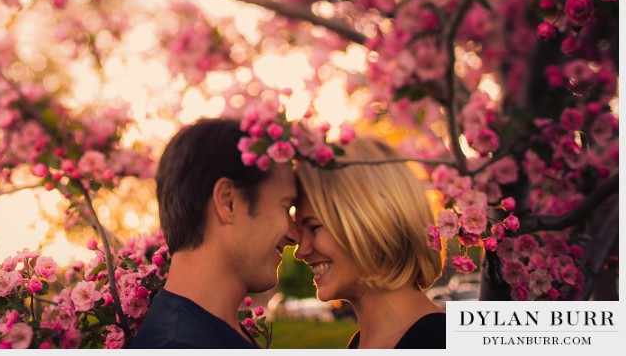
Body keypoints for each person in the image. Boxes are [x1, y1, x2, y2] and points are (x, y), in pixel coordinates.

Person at [131, 118, 299, 349]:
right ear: (228, 202)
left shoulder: (203, 331)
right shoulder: (179, 345)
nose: (295, 235)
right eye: (285, 206)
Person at [293, 137, 446, 349]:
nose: (301, 251)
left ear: (372, 220)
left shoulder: (440, 343)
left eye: (314, 227)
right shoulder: (361, 344)